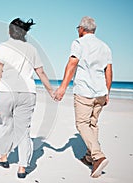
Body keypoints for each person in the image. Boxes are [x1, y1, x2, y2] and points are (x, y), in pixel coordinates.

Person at [0, 18, 54, 179]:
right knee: (24, 131)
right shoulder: (32, 49)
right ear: (24, 32)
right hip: (27, 93)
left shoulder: (2, 47)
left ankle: (4, 158)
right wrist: (51, 92)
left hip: (6, 92)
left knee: (5, 125)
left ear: (10, 32)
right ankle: (22, 167)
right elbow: (41, 73)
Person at [54, 16, 113, 178]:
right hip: (100, 92)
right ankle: (89, 157)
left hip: (85, 92)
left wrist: (62, 88)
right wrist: (107, 91)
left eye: (77, 28)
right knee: (92, 124)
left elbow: (72, 64)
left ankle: (97, 156)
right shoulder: (105, 46)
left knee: (82, 124)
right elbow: (108, 70)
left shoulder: (78, 43)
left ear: (82, 29)